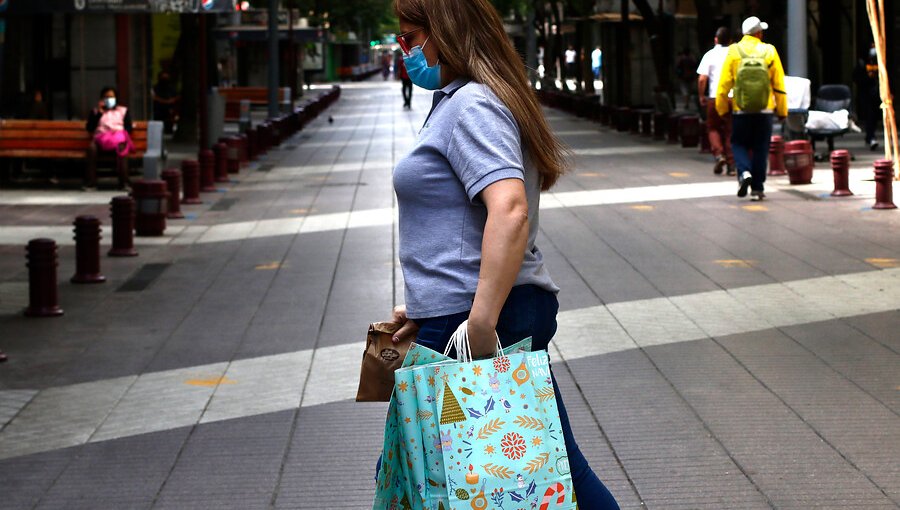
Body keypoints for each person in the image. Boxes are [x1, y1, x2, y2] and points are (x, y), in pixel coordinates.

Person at [385, 0, 620, 507]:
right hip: (465, 313)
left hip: (480, 319)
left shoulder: (472, 105)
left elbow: (509, 211)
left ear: (443, 32)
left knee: (461, 471)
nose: (404, 50)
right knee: (520, 466)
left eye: (409, 38)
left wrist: (479, 322)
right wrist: (427, 305)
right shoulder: (464, 101)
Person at [716, 16, 787, 201]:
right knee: (760, 148)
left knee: (738, 143)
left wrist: (722, 109)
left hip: (741, 109)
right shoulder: (769, 50)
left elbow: (724, 84)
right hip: (765, 110)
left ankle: (744, 173)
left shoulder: (734, 51)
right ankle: (757, 189)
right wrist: (782, 110)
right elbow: (778, 83)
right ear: (758, 33)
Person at [697, 27, 735, 176]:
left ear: (716, 40)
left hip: (715, 97)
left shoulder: (710, 55)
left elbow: (702, 79)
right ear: (731, 41)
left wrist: (701, 95)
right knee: (730, 130)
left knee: (713, 128)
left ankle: (719, 155)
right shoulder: (735, 54)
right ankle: (732, 166)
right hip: (733, 98)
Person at [85, 86, 134, 191]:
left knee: (123, 149)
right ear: (102, 98)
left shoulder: (123, 111)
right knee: (91, 148)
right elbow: (89, 128)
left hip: (117, 140)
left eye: (111, 97)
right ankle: (91, 183)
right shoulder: (95, 111)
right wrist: (99, 113)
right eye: (106, 97)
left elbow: (128, 128)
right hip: (100, 140)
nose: (109, 99)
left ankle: (124, 182)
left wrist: (117, 134)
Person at [853, 44, 881, 151]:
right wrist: (867, 79)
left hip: (876, 93)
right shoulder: (862, 64)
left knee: (874, 117)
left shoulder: (878, 61)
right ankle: (871, 138)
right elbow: (856, 78)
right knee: (870, 116)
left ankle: (870, 137)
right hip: (866, 94)